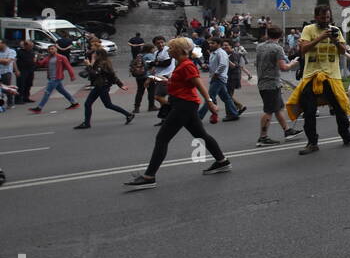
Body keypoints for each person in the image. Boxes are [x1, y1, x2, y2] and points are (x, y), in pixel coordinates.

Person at [124, 38, 230, 186]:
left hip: (184, 105)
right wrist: (163, 80)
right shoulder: (180, 64)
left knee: (162, 138)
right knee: (201, 135)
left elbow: (198, 85)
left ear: (181, 50)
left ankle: (149, 177)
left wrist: (210, 102)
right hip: (184, 104)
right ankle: (222, 161)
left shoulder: (187, 65)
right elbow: (181, 83)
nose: (169, 50)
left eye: (171, 48)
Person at [286, 5, 350, 155]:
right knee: (309, 110)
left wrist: (335, 40)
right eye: (322, 18)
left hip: (332, 75)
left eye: (328, 18)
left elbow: (342, 52)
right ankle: (312, 143)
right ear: (316, 17)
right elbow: (303, 49)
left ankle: (346, 135)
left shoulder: (336, 30)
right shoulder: (309, 29)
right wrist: (321, 37)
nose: (325, 21)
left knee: (340, 107)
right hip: (311, 75)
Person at [254, 25, 301, 146]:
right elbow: (284, 67)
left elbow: (256, 63)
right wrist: (292, 63)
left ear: (268, 34)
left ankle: (287, 131)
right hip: (271, 83)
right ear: (280, 36)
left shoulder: (259, 47)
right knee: (269, 110)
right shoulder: (277, 49)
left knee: (278, 108)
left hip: (263, 81)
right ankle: (263, 137)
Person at [73, 49, 133, 128]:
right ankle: (87, 123)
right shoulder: (102, 62)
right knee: (95, 104)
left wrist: (89, 65)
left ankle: (129, 114)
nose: (92, 56)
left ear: (99, 55)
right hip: (100, 86)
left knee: (101, 104)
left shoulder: (102, 64)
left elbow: (95, 74)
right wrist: (120, 85)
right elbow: (111, 75)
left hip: (102, 86)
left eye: (94, 55)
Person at [29, 43, 78, 113]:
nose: (50, 50)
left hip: (56, 78)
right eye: (49, 49)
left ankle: (39, 108)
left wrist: (72, 76)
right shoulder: (48, 58)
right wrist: (37, 59)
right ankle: (74, 103)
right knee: (62, 91)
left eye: (52, 49)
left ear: (56, 49)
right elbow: (40, 64)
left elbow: (68, 67)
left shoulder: (62, 57)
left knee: (47, 92)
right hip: (51, 77)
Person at [205, 38, 243, 122]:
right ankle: (233, 113)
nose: (225, 47)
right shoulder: (217, 53)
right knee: (226, 97)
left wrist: (217, 73)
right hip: (221, 77)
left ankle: (199, 115)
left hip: (227, 78)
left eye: (227, 45)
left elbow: (230, 66)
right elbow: (215, 65)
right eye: (224, 45)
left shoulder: (227, 54)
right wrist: (207, 66)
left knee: (210, 97)